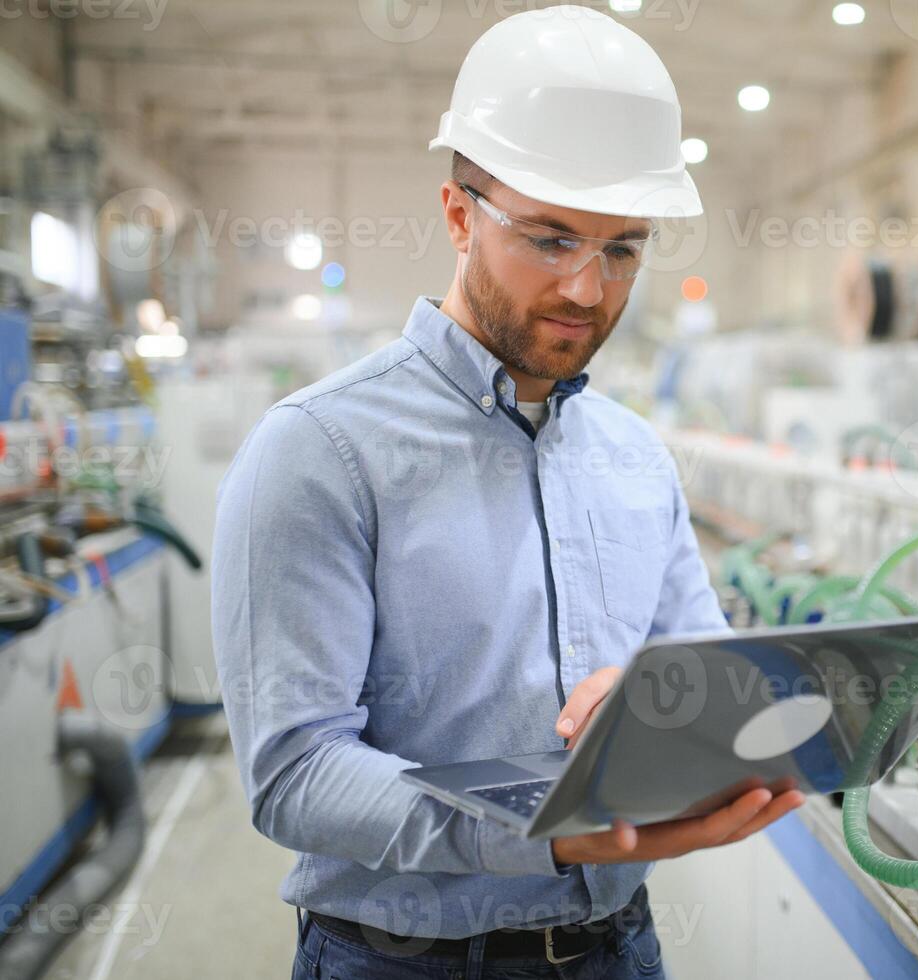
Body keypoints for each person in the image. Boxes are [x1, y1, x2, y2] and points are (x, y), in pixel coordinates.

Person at [210, 8, 803, 978]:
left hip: (621, 947)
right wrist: (545, 830)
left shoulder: (637, 457)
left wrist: (673, 715)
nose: (586, 288)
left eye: (623, 250)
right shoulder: (320, 451)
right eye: (550, 237)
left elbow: (709, 662)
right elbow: (294, 774)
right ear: (457, 215)